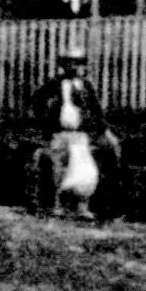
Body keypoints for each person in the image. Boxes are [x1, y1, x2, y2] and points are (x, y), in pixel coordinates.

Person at [31, 46, 109, 217]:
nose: (73, 67)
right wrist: (46, 120)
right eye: (69, 63)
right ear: (63, 65)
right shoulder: (54, 84)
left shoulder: (86, 86)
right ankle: (56, 206)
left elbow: (96, 110)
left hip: (80, 133)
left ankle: (81, 207)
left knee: (83, 170)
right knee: (57, 169)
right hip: (59, 132)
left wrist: (100, 129)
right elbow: (37, 100)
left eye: (77, 63)